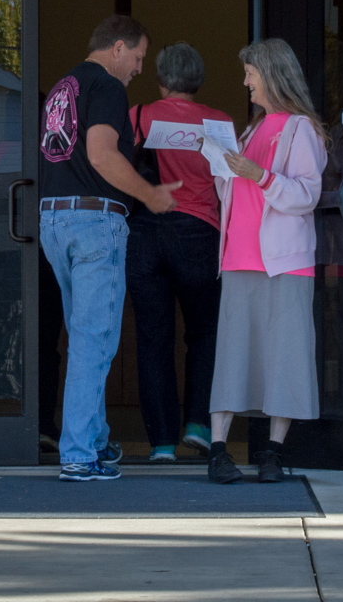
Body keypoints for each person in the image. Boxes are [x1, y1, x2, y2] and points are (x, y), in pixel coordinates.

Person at [39, 14, 183, 481]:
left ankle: (95, 441)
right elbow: (102, 154)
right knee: (93, 339)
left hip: (55, 220)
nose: (140, 68)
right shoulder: (107, 86)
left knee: (85, 334)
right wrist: (150, 194)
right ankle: (79, 453)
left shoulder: (64, 87)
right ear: (117, 48)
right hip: (93, 221)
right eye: (138, 57)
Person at [206, 38, 328, 485]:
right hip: (239, 257)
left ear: (272, 74)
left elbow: (306, 195)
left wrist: (259, 175)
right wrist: (224, 171)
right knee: (233, 355)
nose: (245, 81)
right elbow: (237, 193)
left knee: (285, 358)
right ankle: (219, 449)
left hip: (285, 262)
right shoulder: (251, 130)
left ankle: (272, 453)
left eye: (250, 73)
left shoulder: (301, 129)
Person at [125, 42, 232, 462]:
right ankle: (200, 425)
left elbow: (119, 166)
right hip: (199, 233)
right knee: (204, 333)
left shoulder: (140, 115)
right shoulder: (219, 122)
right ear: (199, 79)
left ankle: (162, 443)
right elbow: (230, 185)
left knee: (153, 338)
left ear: (162, 79)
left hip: (145, 233)